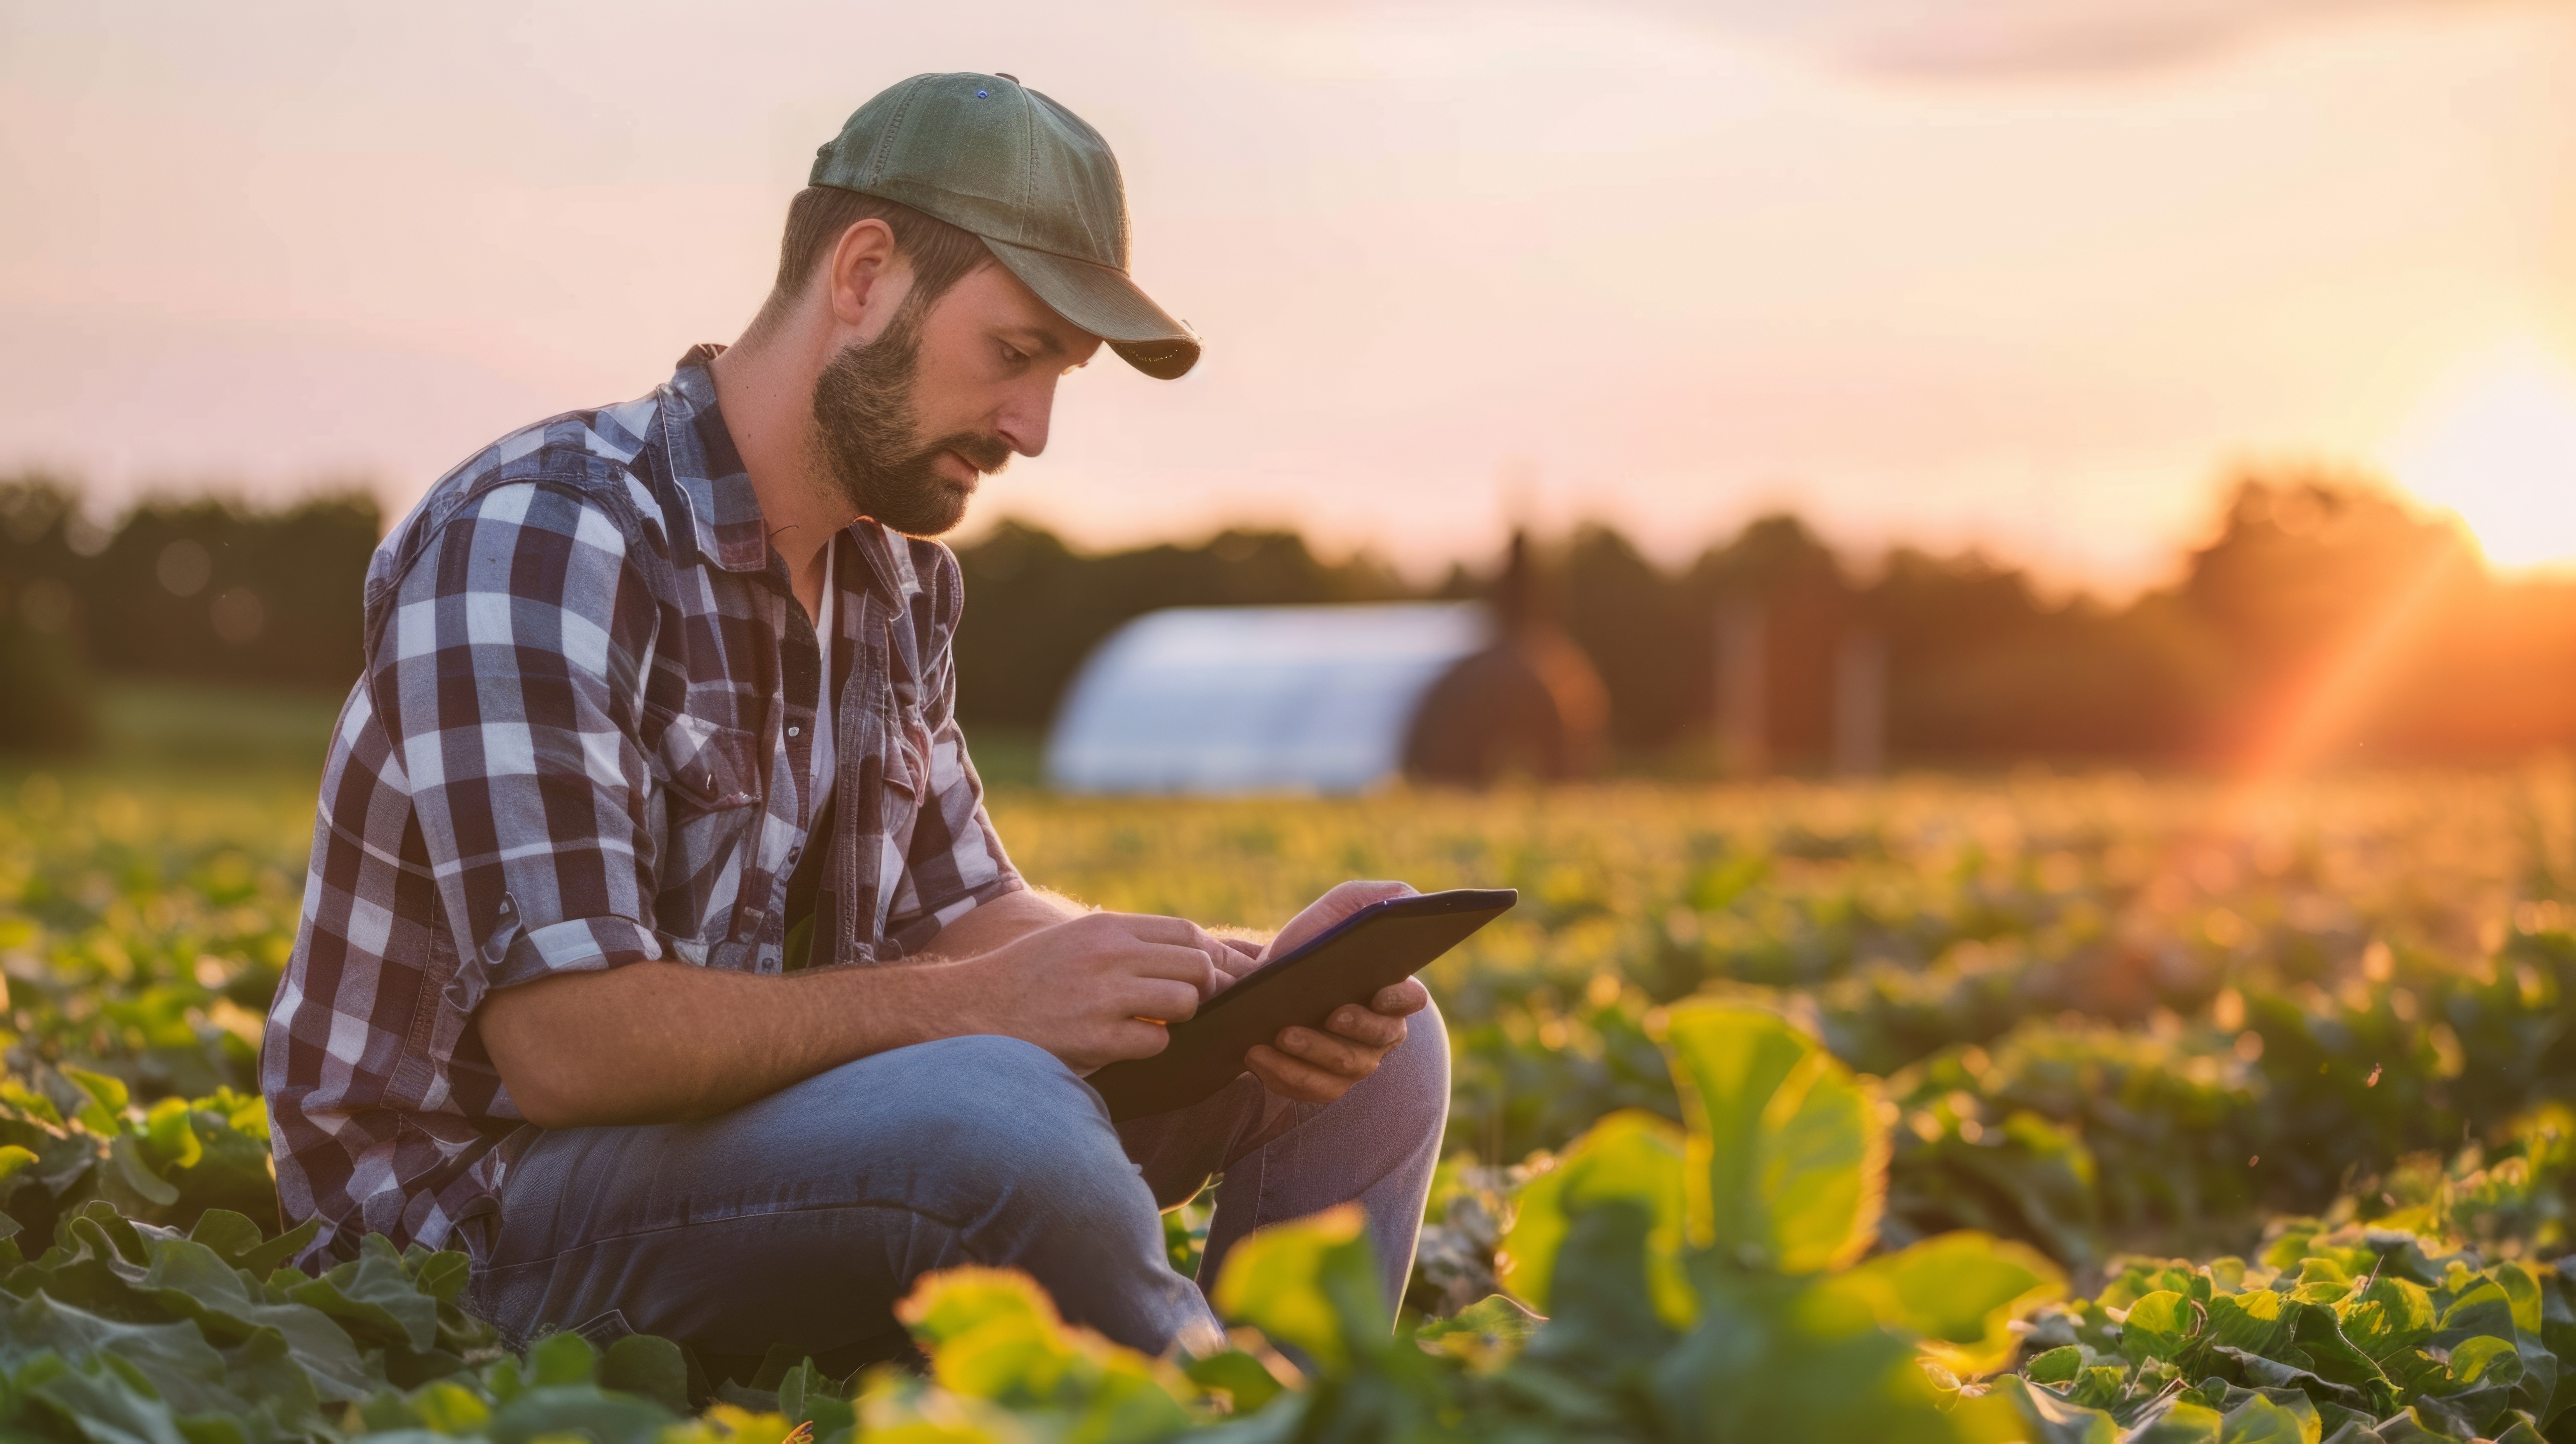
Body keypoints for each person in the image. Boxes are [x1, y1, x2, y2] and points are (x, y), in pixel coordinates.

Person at [259, 72, 1446, 1374]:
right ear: (866, 277)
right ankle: (1217, 1414)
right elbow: (568, 1049)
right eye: (1015, 353)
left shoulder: (893, 583)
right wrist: (987, 1008)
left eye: (1060, 374)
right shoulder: (544, 539)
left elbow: (969, 912)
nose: (1034, 428)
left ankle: (1302, 1399)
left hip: (765, 1153)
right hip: (479, 1228)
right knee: (996, 1109)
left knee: (1386, 1054)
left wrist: (1241, 982)